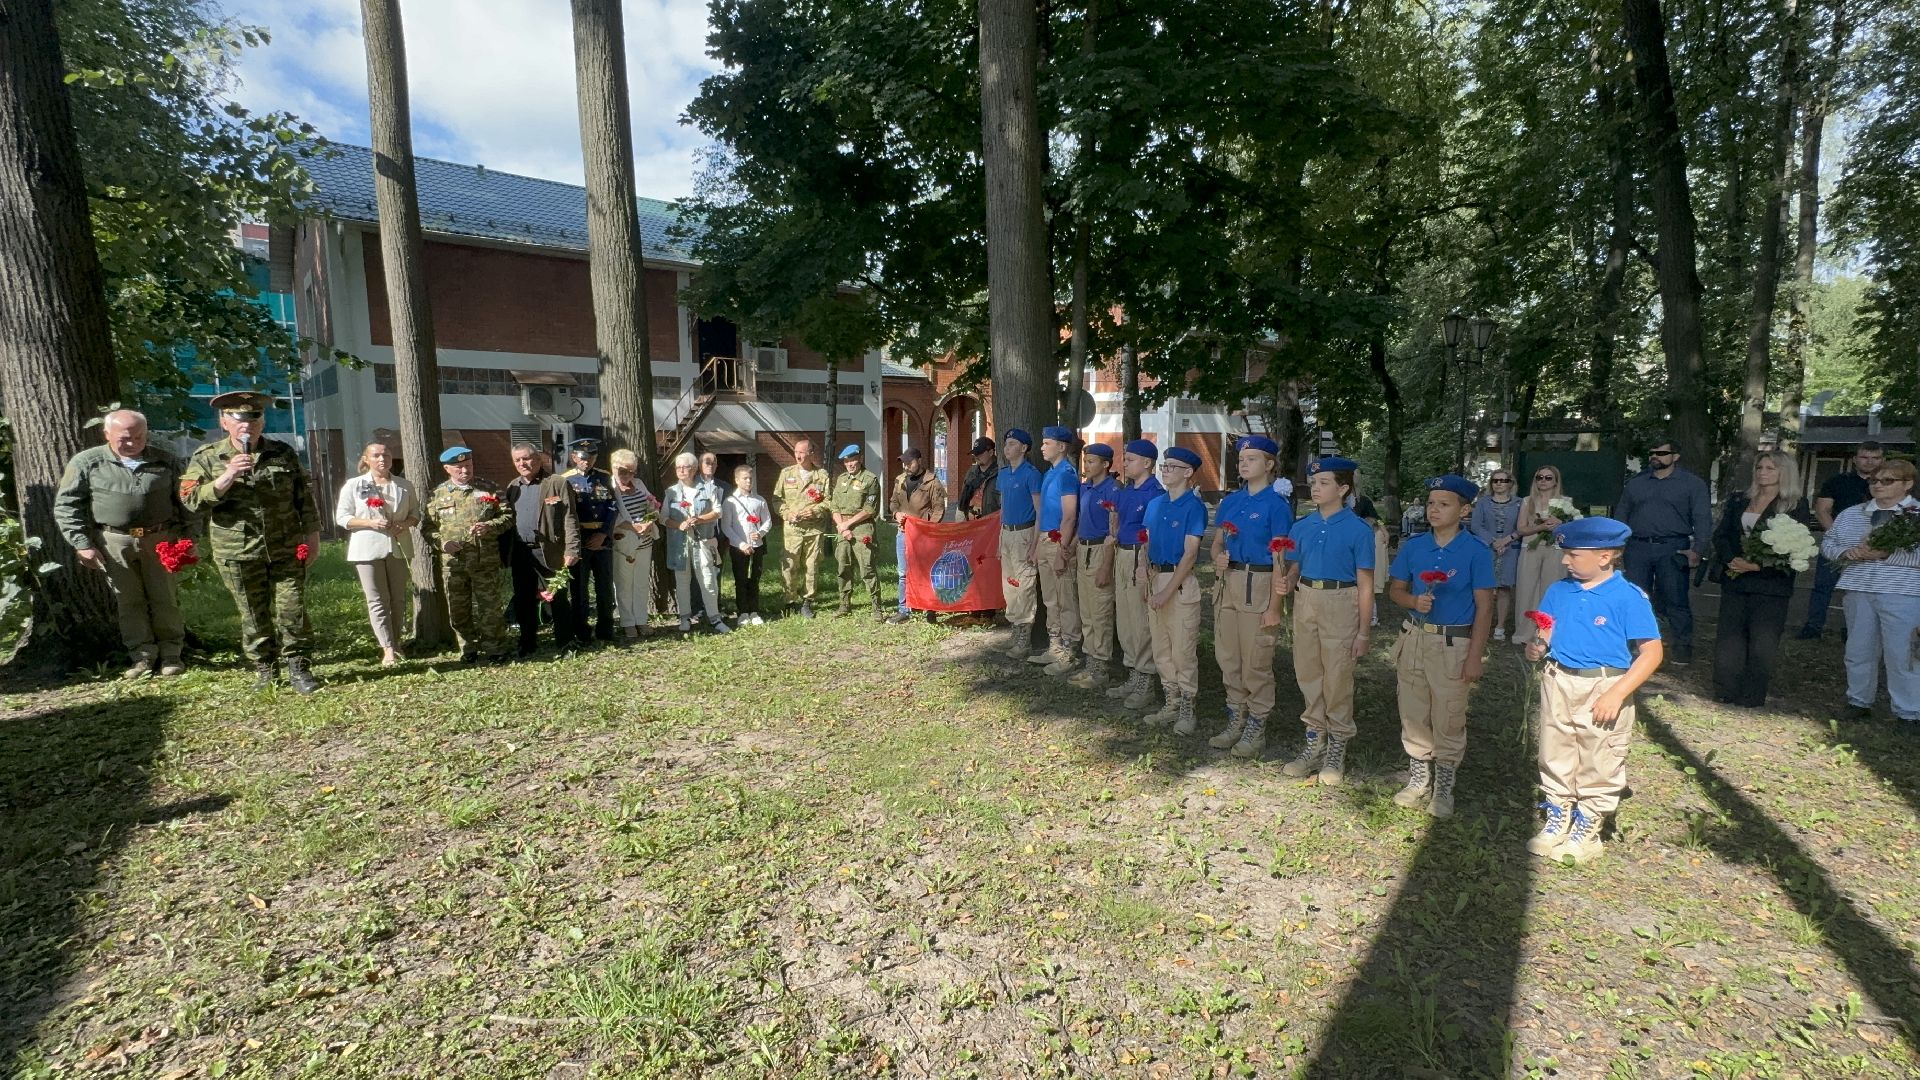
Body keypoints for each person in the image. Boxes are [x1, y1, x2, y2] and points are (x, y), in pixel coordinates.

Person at [1524, 518, 1663, 866]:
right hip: (1558, 680)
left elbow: (1652, 653)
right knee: (1555, 749)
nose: (1565, 561)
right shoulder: (1559, 590)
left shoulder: (1627, 597)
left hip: (1603, 686)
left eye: (1572, 554)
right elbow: (1546, 625)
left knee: (1599, 756)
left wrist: (1617, 694)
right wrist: (1540, 644)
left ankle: (1588, 827)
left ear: (1605, 557)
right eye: (1564, 554)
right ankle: (1558, 816)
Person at [178, 390, 322, 693]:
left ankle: (299, 668)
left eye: (254, 416)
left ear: (262, 420)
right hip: (237, 551)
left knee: (292, 609)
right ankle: (266, 670)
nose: (248, 423)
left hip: (285, 546)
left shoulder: (282, 453)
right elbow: (190, 500)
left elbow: (303, 498)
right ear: (224, 421)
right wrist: (227, 475)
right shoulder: (207, 457)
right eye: (239, 417)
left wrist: (313, 535)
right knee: (253, 612)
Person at [1386, 475, 1495, 817]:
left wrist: (1475, 655)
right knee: (1413, 708)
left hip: (1453, 644)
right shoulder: (1415, 546)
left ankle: (1444, 783)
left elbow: (1485, 607)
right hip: (1416, 637)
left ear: (1464, 510)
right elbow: (1395, 590)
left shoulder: (1475, 552)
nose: (1434, 509)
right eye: (1431, 503)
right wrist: (1412, 601)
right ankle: (1419, 777)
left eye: (1444, 504)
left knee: (1448, 712)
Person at [54, 408, 189, 678]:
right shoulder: (87, 462)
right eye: (124, 438)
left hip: (160, 539)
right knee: (128, 600)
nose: (132, 443)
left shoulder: (166, 461)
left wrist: (189, 538)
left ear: (146, 433)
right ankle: (141, 656)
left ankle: (172, 653)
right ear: (107, 434)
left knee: (165, 598)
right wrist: (82, 543)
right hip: (113, 542)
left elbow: (187, 501)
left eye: (138, 437)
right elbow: (67, 505)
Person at [1274, 456, 1375, 786]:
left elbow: (1365, 583)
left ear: (1343, 488)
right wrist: (1288, 580)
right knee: (1308, 671)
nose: (1315, 487)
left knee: (1337, 674)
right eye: (1314, 482)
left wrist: (1362, 632)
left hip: (1340, 602)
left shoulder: (1359, 530)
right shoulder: (1301, 526)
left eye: (1324, 483)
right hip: (1306, 599)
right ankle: (1314, 740)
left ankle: (1337, 745)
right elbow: (1294, 565)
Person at [1205, 436, 1291, 757]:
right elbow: (1217, 544)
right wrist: (1217, 557)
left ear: (1269, 465)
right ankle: (1235, 717)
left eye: (1252, 458)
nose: (1243, 463)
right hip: (1229, 581)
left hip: (1260, 582)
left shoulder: (1276, 506)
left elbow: (1282, 559)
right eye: (1242, 458)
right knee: (1228, 656)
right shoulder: (1230, 502)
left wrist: (1275, 606)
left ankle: (1256, 726)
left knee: (1256, 659)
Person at [1821, 458, 1920, 726]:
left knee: (1903, 653)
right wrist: (1846, 553)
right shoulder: (1853, 513)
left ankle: (1909, 712)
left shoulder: (1917, 515)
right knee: (1858, 648)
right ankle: (1858, 701)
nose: (1878, 485)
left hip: (1903, 592)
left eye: (1887, 480)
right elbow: (1829, 543)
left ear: (1907, 484)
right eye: (1874, 480)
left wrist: (1889, 555)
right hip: (1858, 588)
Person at [1710, 451, 1810, 707]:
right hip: (1736, 578)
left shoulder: (1795, 504)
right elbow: (1722, 534)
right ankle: (1726, 689)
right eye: (1760, 467)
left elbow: (1795, 546)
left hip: (1770, 584)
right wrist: (1731, 559)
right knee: (1730, 636)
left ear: (1784, 473)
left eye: (1770, 468)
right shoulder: (1739, 500)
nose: (1763, 473)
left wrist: (1757, 565)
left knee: (1762, 641)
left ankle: (1752, 695)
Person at [1613, 439, 1712, 665]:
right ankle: (1632, 644)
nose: (1655, 456)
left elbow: (1702, 518)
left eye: (1661, 453)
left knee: (1675, 598)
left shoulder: (1692, 484)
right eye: (1652, 452)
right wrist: (1617, 547)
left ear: (1675, 457)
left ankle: (1682, 646)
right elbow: (1622, 514)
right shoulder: (1636, 484)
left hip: (1673, 546)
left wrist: (1698, 549)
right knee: (1635, 597)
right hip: (1638, 546)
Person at [334, 441, 421, 666]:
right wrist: (370, 522)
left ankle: (397, 642)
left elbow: (415, 514)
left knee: (398, 599)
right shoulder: (354, 485)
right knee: (377, 600)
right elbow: (342, 518)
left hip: (398, 548)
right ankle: (387, 648)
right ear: (366, 460)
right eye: (376, 455)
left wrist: (404, 524)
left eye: (386, 455)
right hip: (367, 549)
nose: (382, 459)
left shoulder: (404, 485)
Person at [1141, 446, 1209, 733]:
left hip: (1179, 585)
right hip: (1156, 578)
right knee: (1162, 647)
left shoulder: (1194, 507)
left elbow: (1190, 554)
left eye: (1171, 466)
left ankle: (1187, 708)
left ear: (1188, 473)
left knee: (1182, 650)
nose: (1165, 470)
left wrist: (1166, 591)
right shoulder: (1156, 504)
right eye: (1164, 466)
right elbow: (1146, 540)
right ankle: (1170, 701)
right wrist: (1144, 570)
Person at [423, 447, 512, 664]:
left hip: (485, 560)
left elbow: (508, 517)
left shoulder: (489, 488)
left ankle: (495, 649)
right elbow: (427, 528)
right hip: (455, 564)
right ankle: (468, 648)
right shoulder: (437, 495)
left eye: (468, 465)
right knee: (458, 609)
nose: (465, 470)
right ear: (447, 469)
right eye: (459, 467)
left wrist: (489, 526)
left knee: (490, 608)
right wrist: (442, 543)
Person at [1800, 441, 1884, 640]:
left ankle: (1852, 631)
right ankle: (1813, 628)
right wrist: (1838, 539)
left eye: (1875, 458)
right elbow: (1822, 510)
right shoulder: (1837, 481)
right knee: (1823, 587)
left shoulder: (1889, 485)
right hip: (1836, 544)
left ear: (1883, 460)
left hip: (1872, 549)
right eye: (1864, 457)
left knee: (1859, 591)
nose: (1869, 462)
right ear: (1855, 460)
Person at [503, 445, 580, 656]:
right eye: (517, 460)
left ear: (538, 459)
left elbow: (569, 517)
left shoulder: (556, 483)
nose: (522, 464)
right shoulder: (512, 487)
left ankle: (565, 642)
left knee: (557, 598)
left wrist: (572, 549)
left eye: (526, 459)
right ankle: (527, 644)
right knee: (524, 599)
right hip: (521, 553)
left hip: (549, 551)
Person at [1107, 441, 1165, 711]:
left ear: (1147, 463)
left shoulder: (1155, 494)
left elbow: (1152, 534)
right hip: (1122, 554)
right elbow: (1117, 521)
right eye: (1125, 458)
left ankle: (1146, 680)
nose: (1125, 463)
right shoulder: (1126, 491)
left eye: (1130, 459)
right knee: (1126, 618)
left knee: (1141, 621)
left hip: (1139, 556)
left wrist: (1145, 564)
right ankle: (1133, 672)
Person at [1066, 443, 1121, 687]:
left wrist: (1106, 565)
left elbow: (1114, 530)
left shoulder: (1113, 490)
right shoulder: (1085, 487)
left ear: (1106, 464)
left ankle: (1101, 667)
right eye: (1085, 461)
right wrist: (1072, 545)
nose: (1086, 465)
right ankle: (1090, 663)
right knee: (1087, 610)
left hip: (1101, 549)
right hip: (1084, 548)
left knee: (1100, 611)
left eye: (1091, 461)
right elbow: (1082, 522)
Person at [1030, 426, 1083, 673]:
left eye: (1047, 443)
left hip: (1057, 541)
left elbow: (1070, 516)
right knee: (1051, 597)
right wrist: (1035, 545)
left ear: (1061, 447)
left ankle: (1070, 651)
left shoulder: (1067, 474)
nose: (1042, 447)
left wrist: (1063, 550)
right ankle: (1055, 646)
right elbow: (1043, 512)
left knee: (1065, 597)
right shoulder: (1049, 473)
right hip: (1045, 540)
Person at [665, 451, 730, 635]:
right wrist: (679, 524)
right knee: (682, 581)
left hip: (703, 541)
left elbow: (718, 511)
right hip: (680, 544)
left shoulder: (708, 488)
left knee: (708, 580)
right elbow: (663, 519)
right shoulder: (671, 492)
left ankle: (715, 618)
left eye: (684, 467)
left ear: (694, 469)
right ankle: (685, 617)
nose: (680, 470)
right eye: (677, 467)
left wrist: (699, 519)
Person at [563, 439, 618, 643]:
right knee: (579, 590)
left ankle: (605, 630)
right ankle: (582, 631)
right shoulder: (565, 480)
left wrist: (603, 533)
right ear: (574, 457)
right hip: (580, 540)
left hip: (602, 540)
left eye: (592, 457)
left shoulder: (604, 478)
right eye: (584, 457)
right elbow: (565, 513)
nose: (588, 461)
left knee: (604, 587)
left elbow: (613, 506)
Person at [996, 429, 1044, 658]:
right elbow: (1004, 507)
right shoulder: (1004, 474)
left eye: (1013, 443)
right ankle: (1015, 631)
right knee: (1010, 584)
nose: (1007, 447)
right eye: (1006, 443)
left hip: (1025, 533)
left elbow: (1039, 511)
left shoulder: (1031, 474)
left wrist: (1035, 545)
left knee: (1024, 584)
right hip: (1007, 533)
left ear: (1024, 448)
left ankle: (1025, 636)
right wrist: (999, 537)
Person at [888, 447, 948, 625]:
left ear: (919, 461)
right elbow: (893, 503)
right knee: (903, 573)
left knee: (927, 572)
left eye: (910, 462)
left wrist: (929, 527)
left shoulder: (932, 482)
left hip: (924, 536)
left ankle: (930, 608)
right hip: (904, 533)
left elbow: (939, 509)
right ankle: (903, 609)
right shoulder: (900, 481)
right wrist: (896, 514)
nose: (906, 466)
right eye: (904, 463)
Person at [774, 438, 832, 618]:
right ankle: (789, 600)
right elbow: (777, 500)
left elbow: (829, 502)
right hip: (792, 530)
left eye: (802, 452)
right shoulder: (786, 473)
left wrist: (814, 511)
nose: (798, 455)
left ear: (811, 454)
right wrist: (786, 513)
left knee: (812, 566)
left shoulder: (821, 475)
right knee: (790, 566)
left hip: (814, 530)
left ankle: (807, 602)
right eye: (796, 452)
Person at [1513, 464, 1568, 647]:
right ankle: (1524, 633)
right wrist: (1540, 527)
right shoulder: (1527, 501)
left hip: (1555, 549)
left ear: (1555, 481)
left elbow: (1571, 529)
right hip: (1530, 547)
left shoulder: (1566, 502)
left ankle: (1548, 634)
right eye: (1539, 477)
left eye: (1548, 478)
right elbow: (1521, 529)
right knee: (1526, 590)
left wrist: (1560, 523)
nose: (1543, 481)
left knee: (1551, 590)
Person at [607, 449, 659, 639]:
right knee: (623, 584)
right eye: (623, 471)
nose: (628, 476)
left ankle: (641, 620)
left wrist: (650, 521)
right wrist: (634, 527)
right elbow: (613, 516)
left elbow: (653, 505)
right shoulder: (609, 487)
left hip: (645, 541)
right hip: (624, 543)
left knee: (641, 584)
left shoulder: (639, 484)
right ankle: (628, 622)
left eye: (631, 472)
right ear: (614, 468)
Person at [829, 444, 884, 618]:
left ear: (860, 458)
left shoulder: (870, 479)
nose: (850, 464)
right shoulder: (841, 479)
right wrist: (841, 526)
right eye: (846, 461)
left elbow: (870, 509)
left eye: (853, 459)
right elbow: (834, 506)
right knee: (843, 567)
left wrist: (848, 524)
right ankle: (844, 604)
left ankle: (877, 607)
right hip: (842, 527)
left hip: (862, 527)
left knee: (867, 568)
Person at [1469, 468, 1523, 641]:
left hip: (1510, 549)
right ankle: (1481, 622)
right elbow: (1476, 526)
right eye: (1495, 480)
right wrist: (1493, 542)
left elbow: (1522, 526)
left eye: (1503, 480)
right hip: (1486, 549)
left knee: (1504, 589)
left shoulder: (1520, 503)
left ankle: (1500, 626)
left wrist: (1506, 541)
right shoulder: (1483, 503)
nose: (1499, 484)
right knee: (1484, 588)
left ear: (1511, 483)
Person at [721, 464, 771, 626]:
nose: (749, 481)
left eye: (751, 478)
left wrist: (761, 533)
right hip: (739, 548)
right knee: (741, 580)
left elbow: (768, 521)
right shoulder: (730, 502)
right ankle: (742, 612)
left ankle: (754, 611)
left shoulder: (759, 500)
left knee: (755, 579)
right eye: (745, 478)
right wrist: (741, 544)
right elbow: (726, 526)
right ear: (737, 480)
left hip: (757, 546)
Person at [956, 436, 1002, 520]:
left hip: (990, 525)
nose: (976, 456)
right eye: (975, 453)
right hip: (970, 525)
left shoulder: (1000, 474)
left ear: (991, 452)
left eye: (980, 453)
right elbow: (963, 495)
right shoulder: (971, 472)